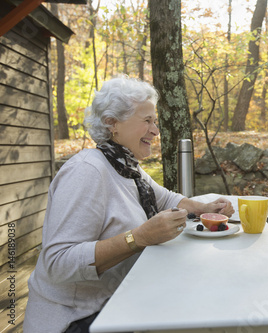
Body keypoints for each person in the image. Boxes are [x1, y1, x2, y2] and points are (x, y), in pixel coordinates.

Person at [24, 76, 235, 333]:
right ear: (112, 123)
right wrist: (138, 237)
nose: (156, 130)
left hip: (117, 301)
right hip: (76, 317)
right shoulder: (87, 171)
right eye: (147, 121)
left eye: (154, 121)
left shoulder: (125, 166)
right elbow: (58, 263)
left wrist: (205, 208)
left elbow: (166, 198)